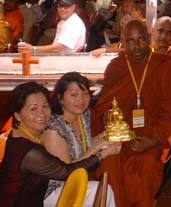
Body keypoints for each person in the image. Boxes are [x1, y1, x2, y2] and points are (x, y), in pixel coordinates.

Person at [91, 19, 171, 207]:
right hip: (120, 138)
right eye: (131, 41)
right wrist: (108, 120)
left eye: (141, 39)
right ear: (123, 42)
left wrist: (155, 138)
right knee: (108, 165)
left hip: (150, 135)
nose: (136, 47)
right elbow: (103, 106)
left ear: (149, 38)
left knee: (146, 166)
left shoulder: (165, 66)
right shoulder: (116, 67)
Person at [0, 82, 121, 207]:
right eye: (33, 109)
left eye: (45, 106)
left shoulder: (24, 134)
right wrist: (102, 154)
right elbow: (67, 172)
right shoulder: (28, 151)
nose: (41, 114)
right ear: (17, 115)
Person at [41, 72, 116, 206]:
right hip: (54, 190)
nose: (81, 100)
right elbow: (67, 171)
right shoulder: (53, 127)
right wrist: (99, 149)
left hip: (78, 180)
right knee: (102, 190)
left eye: (85, 94)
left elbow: (82, 146)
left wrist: (106, 136)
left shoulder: (83, 115)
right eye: (74, 95)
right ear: (60, 98)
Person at [18, 0, 86, 53]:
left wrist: (33, 49)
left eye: (66, 5)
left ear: (73, 7)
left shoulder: (74, 23)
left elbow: (59, 48)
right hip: (60, 59)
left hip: (67, 63)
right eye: (59, 5)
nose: (62, 9)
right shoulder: (64, 21)